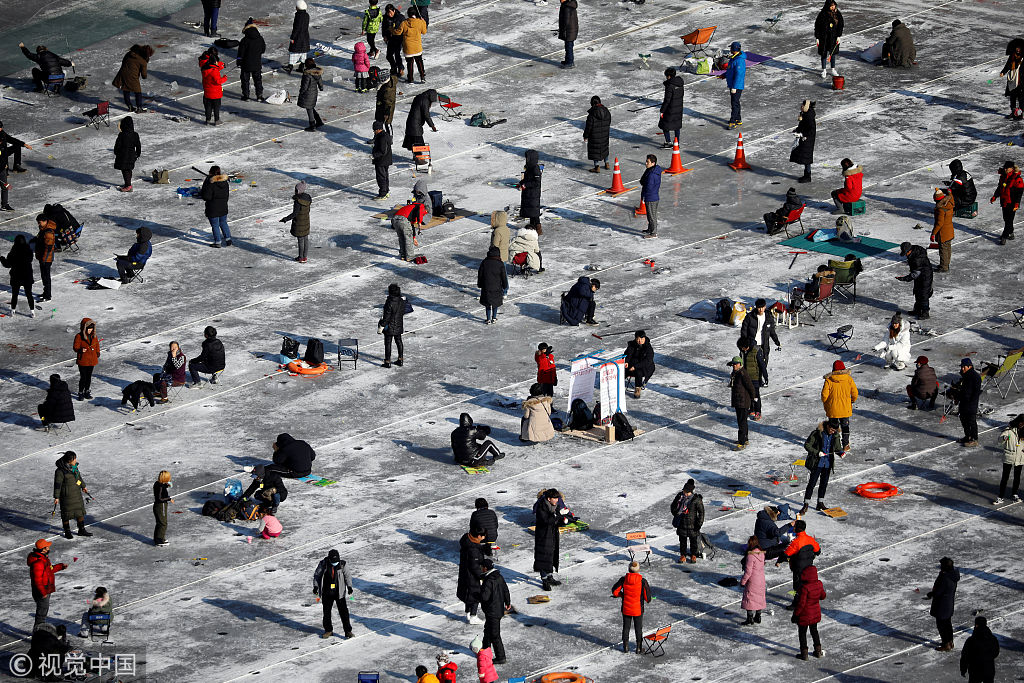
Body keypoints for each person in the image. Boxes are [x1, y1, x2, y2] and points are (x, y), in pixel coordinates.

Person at [801, 419, 846, 514]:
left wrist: (841, 453)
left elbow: (837, 448)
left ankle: (820, 503)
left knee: (824, 484)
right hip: (817, 463)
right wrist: (817, 453)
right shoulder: (817, 433)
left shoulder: (835, 435)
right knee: (811, 484)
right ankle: (806, 504)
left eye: (835, 430)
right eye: (832, 430)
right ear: (828, 426)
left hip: (828, 463)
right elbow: (807, 445)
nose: (833, 432)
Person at [313, 549, 354, 639]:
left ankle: (348, 631)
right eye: (333, 561)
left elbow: (348, 576)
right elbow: (317, 575)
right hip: (327, 592)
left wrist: (349, 587)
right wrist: (316, 586)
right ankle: (328, 630)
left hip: (339, 593)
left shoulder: (343, 564)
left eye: (336, 561)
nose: (335, 563)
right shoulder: (323, 564)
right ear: (329, 559)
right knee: (326, 613)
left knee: (344, 613)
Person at [778, 520, 820, 607]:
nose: (793, 528)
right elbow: (818, 551)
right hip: (808, 567)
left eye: (794, 527)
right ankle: (807, 600)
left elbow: (786, 554)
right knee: (806, 585)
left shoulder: (796, 542)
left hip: (798, 568)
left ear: (797, 528)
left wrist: (779, 561)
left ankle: (796, 604)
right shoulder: (810, 539)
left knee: (797, 587)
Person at [611, 561, 651, 653]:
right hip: (638, 609)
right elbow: (648, 598)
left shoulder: (624, 579)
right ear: (638, 570)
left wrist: (622, 595)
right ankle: (639, 648)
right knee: (638, 628)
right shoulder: (642, 581)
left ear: (629, 569)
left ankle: (625, 647)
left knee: (626, 627)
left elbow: (615, 591)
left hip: (626, 608)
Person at [27, 539, 67, 628]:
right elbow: (37, 580)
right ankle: (37, 634)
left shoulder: (43, 558)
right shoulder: (39, 562)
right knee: (41, 614)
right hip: (42, 591)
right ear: (43, 549)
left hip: (45, 589)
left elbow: (49, 570)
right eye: (47, 546)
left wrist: (61, 567)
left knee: (43, 612)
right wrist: (43, 593)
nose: (49, 548)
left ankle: (39, 632)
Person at [54, 451, 92, 539]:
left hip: (76, 494)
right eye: (74, 458)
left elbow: (78, 478)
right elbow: (57, 484)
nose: (75, 460)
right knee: (66, 514)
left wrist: (83, 486)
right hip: (66, 496)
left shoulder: (75, 468)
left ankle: (81, 530)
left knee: (80, 512)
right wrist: (56, 497)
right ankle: (67, 531)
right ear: (69, 460)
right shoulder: (60, 471)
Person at [820, 360, 857, 450]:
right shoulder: (848, 379)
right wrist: (852, 401)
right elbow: (855, 393)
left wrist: (826, 403)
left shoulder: (829, 380)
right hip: (845, 409)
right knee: (845, 427)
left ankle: (833, 445)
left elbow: (824, 395)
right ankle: (845, 445)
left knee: (833, 428)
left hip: (833, 409)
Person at [793, 565, 826, 660]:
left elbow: (801, 604)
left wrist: (795, 614)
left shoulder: (804, 588)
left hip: (805, 615)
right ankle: (818, 651)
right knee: (814, 631)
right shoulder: (819, 584)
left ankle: (804, 654)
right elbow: (823, 596)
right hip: (815, 613)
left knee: (802, 633)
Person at [533, 489, 564, 590]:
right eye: (555, 498)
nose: (557, 500)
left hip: (552, 534)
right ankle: (544, 579)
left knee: (552, 554)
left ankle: (550, 576)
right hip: (543, 535)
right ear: (549, 499)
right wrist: (556, 516)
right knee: (543, 556)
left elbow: (557, 520)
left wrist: (563, 520)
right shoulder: (541, 506)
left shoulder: (556, 506)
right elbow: (546, 521)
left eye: (557, 498)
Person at [928, 557, 960, 651]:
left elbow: (939, 592)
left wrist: (931, 594)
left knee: (942, 625)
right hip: (948, 604)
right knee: (948, 624)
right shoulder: (952, 575)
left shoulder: (945, 578)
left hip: (942, 605)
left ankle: (946, 644)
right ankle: (950, 642)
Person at [670, 479, 705, 563]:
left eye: (686, 491)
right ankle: (683, 555)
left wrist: (699, 524)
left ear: (690, 491)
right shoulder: (679, 496)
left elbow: (701, 512)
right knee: (682, 541)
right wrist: (675, 512)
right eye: (684, 491)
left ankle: (693, 555)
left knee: (693, 541)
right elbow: (673, 506)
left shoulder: (696, 499)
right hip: (681, 523)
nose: (684, 493)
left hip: (692, 525)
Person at [896, 242, 933, 319]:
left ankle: (925, 313)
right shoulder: (915, 250)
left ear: (910, 250)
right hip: (920, 275)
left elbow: (915, 274)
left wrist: (904, 278)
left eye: (906, 253)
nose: (906, 255)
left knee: (923, 294)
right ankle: (917, 310)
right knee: (917, 291)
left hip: (925, 276)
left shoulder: (917, 259)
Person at [1, 234, 35, 317]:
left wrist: (2, 259)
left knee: (15, 294)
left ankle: (12, 311)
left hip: (16, 276)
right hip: (27, 275)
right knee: (29, 294)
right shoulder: (28, 250)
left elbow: (8, 264)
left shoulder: (13, 251)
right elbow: (30, 258)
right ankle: (32, 312)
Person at [112, 44, 153, 113]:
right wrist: (144, 76)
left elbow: (123, 62)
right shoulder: (142, 61)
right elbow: (144, 75)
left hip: (123, 73)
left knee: (126, 89)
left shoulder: (129, 54)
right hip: (133, 76)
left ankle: (130, 106)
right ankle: (139, 108)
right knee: (138, 92)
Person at [1, 121, 32, 211]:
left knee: (5, 186)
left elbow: (10, 139)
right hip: (1, 161)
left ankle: (4, 204)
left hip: (2, 162)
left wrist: (23, 144)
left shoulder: (2, 133)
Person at [740, 299, 782, 366]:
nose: (761, 309)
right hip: (752, 344)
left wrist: (776, 341)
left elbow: (772, 331)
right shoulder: (750, 317)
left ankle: (760, 375)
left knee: (763, 363)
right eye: (759, 308)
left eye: (762, 307)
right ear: (756, 307)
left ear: (765, 307)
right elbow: (744, 330)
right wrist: (745, 343)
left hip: (764, 344)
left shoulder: (769, 317)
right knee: (750, 363)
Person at [457, 527, 486, 624]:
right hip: (471, 576)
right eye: (483, 536)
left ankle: (468, 613)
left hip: (464, 572)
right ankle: (473, 616)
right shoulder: (473, 549)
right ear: (478, 536)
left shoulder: (466, 540)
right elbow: (475, 566)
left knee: (467, 593)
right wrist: (482, 576)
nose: (484, 537)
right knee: (475, 594)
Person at [990, 160, 1022, 244]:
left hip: (1012, 203)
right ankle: (1011, 233)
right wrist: (995, 196)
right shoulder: (1003, 177)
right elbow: (1000, 187)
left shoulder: (1017, 179)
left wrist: (1017, 203)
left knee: (1009, 220)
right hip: (1004, 201)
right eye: (1005, 168)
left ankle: (1004, 236)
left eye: (1007, 168)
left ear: (1011, 168)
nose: (1005, 169)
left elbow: (1019, 192)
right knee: (1006, 218)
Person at [960, 616, 1000, 683]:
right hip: (989, 669)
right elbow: (996, 652)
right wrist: (987, 658)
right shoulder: (993, 638)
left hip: (974, 670)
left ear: (976, 625)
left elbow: (965, 656)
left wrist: (963, 669)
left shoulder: (971, 640)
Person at [994, 414, 1024, 504]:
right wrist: (1004, 438)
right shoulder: (1009, 430)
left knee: (1017, 477)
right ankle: (1000, 496)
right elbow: (1000, 440)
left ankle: (1014, 493)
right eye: (1021, 423)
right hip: (1009, 457)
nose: (1022, 425)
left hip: (1020, 457)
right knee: (1005, 477)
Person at [200, 165, 232, 247]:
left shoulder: (211, 183)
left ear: (211, 172)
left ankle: (218, 242)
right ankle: (228, 239)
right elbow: (226, 195)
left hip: (213, 208)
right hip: (223, 207)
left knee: (215, 225)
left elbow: (206, 196)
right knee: (223, 223)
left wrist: (206, 185)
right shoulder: (225, 182)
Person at [280, 181, 312, 262]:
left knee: (301, 241)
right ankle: (304, 257)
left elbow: (295, 213)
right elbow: (308, 210)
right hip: (306, 222)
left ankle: (301, 258)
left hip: (299, 223)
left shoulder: (298, 201)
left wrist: (285, 219)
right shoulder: (307, 199)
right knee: (305, 240)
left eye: (295, 189)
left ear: (298, 191)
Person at [953, 358, 982, 447]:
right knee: (963, 419)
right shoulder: (965, 375)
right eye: (962, 367)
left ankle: (974, 439)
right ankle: (967, 436)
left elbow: (976, 392)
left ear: (970, 366)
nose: (962, 368)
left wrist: (971, 402)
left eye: (964, 367)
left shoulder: (975, 377)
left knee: (971, 421)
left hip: (970, 403)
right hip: (964, 401)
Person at [729, 355, 755, 450]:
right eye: (733, 364)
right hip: (738, 401)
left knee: (742, 422)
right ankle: (745, 438)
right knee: (742, 421)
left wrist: (753, 398)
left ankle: (742, 442)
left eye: (735, 364)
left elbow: (750, 386)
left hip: (743, 401)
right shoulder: (736, 373)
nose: (734, 366)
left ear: (740, 364)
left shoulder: (743, 373)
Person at [237, 18, 267, 102]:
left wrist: (239, 61)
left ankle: (246, 96)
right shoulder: (260, 38)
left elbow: (240, 53)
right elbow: (263, 50)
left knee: (245, 80)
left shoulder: (244, 40)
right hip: (257, 63)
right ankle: (259, 96)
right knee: (258, 80)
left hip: (246, 64)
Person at [739, 537, 766, 626]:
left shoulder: (750, 556)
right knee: (759, 598)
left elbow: (748, 572)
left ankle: (750, 618)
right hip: (761, 579)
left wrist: (743, 581)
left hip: (752, 580)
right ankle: (758, 616)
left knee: (749, 598)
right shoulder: (761, 554)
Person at [478, 246, 508, 325]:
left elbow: (480, 274)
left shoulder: (484, 262)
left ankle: (488, 319)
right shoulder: (500, 263)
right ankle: (494, 318)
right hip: (497, 287)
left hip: (486, 287)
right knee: (495, 303)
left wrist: (480, 284)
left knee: (487, 304)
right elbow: (504, 276)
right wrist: (505, 286)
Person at [814, 0, 844, 78]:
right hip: (823, 37)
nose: (833, 7)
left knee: (832, 53)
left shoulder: (837, 13)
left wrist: (838, 36)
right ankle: (824, 70)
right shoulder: (822, 14)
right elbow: (817, 25)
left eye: (833, 5)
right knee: (824, 53)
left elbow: (841, 25)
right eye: (831, 6)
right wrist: (817, 37)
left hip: (833, 37)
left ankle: (833, 69)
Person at [737, 336, 766, 418]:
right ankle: (752, 409)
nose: (742, 349)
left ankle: (758, 411)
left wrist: (765, 377)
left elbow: (762, 365)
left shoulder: (756, 350)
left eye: (743, 348)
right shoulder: (742, 352)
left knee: (755, 395)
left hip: (755, 377)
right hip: (746, 376)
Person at [111, 116, 141, 193]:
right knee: (129, 169)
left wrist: (116, 152)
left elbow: (117, 145)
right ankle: (128, 184)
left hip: (123, 155)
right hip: (132, 155)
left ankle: (128, 186)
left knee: (125, 170)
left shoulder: (122, 134)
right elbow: (138, 145)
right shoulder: (135, 134)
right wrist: (137, 154)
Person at [199, 47, 227, 126]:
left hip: (207, 92)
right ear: (215, 62)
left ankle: (207, 120)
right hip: (215, 93)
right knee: (216, 108)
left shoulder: (205, 69)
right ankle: (217, 120)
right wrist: (224, 78)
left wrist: (220, 66)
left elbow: (214, 69)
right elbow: (218, 81)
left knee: (208, 107)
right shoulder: (214, 71)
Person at [380, 283, 407, 368]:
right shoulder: (402, 301)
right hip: (398, 324)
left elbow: (387, 316)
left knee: (388, 343)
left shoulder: (389, 302)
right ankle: (400, 359)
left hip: (390, 326)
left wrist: (382, 325)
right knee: (399, 341)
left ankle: (387, 361)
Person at [73, 318, 100, 399]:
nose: (90, 331)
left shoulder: (94, 336)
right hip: (83, 361)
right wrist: (80, 350)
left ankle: (87, 391)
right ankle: (80, 392)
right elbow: (75, 347)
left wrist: (97, 352)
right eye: (88, 329)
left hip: (92, 360)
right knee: (83, 377)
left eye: (91, 329)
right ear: (84, 328)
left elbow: (97, 345)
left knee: (89, 377)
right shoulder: (79, 336)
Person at [399, 7, 427, 83]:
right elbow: (424, 32)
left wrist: (392, 29)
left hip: (408, 47)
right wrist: (423, 22)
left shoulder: (404, 23)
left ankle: (410, 78)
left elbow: (398, 32)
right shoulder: (419, 22)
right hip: (417, 47)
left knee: (410, 63)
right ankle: (422, 76)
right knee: (419, 62)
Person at [583, 96, 611, 172]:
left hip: (594, 137)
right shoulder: (606, 111)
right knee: (604, 148)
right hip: (605, 135)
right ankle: (607, 163)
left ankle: (597, 166)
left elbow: (588, 127)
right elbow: (609, 121)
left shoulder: (592, 115)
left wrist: (585, 136)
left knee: (595, 150)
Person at [791, 100, 816, 182]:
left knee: (807, 158)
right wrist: (797, 130)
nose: (801, 106)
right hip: (805, 139)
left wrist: (802, 134)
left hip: (807, 140)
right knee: (805, 157)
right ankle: (807, 174)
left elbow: (811, 130)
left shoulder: (809, 116)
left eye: (802, 105)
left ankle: (807, 176)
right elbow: (802, 125)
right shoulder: (805, 114)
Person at [659, 68, 685, 148]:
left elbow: (667, 100)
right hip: (679, 108)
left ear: (669, 76)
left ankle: (668, 142)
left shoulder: (669, 86)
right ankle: (677, 142)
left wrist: (662, 110)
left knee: (664, 125)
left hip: (670, 109)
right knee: (676, 126)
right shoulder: (680, 84)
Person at [624, 330, 655, 398]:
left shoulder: (648, 348)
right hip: (632, 364)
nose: (639, 340)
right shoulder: (632, 345)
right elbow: (627, 354)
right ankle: (616, 385)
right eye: (638, 339)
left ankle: (638, 389)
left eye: (641, 339)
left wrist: (635, 367)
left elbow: (647, 361)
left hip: (644, 367)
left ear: (644, 338)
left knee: (639, 372)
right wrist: (626, 361)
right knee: (622, 370)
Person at [931, 187, 954, 272]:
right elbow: (951, 196)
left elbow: (939, 223)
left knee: (943, 250)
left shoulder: (940, 209)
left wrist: (933, 233)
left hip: (943, 233)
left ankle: (944, 267)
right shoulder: (949, 202)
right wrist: (949, 192)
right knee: (948, 248)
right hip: (950, 231)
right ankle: (946, 264)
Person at [298, 57, 325, 131]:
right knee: (311, 107)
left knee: (309, 109)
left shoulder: (307, 74)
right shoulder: (317, 72)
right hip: (314, 92)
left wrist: (301, 92)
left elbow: (305, 85)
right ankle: (319, 121)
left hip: (308, 93)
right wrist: (321, 87)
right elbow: (320, 81)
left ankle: (312, 126)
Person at [518, 149, 543, 228]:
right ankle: (533, 227)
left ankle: (537, 228)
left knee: (534, 212)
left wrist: (526, 185)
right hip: (529, 193)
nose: (526, 159)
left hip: (533, 194)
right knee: (532, 212)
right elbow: (528, 179)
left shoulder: (535, 168)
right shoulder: (529, 167)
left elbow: (537, 182)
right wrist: (522, 182)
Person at [723, 42, 746, 128]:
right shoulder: (734, 58)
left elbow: (739, 75)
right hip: (733, 84)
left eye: (731, 48)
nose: (730, 50)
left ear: (734, 49)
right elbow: (731, 70)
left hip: (736, 86)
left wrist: (735, 87)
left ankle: (733, 122)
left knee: (734, 103)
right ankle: (738, 118)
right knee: (736, 102)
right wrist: (724, 75)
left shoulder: (739, 61)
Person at [639, 154, 662, 238]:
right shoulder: (651, 170)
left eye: (647, 162)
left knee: (652, 216)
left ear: (653, 163)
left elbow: (648, 186)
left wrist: (644, 195)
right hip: (652, 196)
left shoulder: (652, 174)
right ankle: (650, 229)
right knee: (649, 215)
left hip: (651, 198)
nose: (646, 163)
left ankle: (653, 233)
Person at [998, 40, 1022, 120]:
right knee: (1012, 96)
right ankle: (1013, 111)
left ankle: (1021, 113)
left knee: (1021, 97)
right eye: (1017, 48)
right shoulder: (1012, 56)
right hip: (1012, 79)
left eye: (1019, 48)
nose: (1018, 49)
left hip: (1021, 80)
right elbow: (1008, 65)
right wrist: (1003, 72)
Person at [286, 0, 311, 75]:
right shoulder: (307, 15)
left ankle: (290, 66)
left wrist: (292, 37)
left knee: (294, 51)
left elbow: (296, 28)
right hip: (305, 36)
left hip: (298, 37)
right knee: (303, 52)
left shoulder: (298, 16)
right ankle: (301, 67)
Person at [383, 4, 406, 77]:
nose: (389, 14)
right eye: (388, 13)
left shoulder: (400, 17)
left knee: (397, 54)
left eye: (390, 12)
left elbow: (405, 28)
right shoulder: (386, 18)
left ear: (394, 10)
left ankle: (400, 68)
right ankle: (394, 67)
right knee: (389, 55)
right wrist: (384, 35)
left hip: (399, 38)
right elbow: (384, 27)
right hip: (390, 38)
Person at [371, 121, 392, 201]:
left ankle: (383, 194)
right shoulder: (385, 135)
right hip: (386, 160)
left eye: (374, 130)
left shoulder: (382, 137)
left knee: (381, 177)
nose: (374, 132)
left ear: (378, 129)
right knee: (385, 176)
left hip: (381, 161)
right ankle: (386, 191)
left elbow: (382, 151)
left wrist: (374, 155)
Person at [375, 70, 399, 140]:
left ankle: (389, 138)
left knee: (387, 123)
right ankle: (377, 136)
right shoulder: (389, 81)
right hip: (381, 104)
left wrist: (386, 113)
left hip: (387, 108)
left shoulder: (388, 90)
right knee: (379, 121)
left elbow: (388, 102)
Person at [153, 470, 172, 547]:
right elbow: (160, 498)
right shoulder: (160, 486)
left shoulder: (158, 484)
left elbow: (162, 487)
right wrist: (168, 499)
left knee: (159, 522)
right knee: (163, 523)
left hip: (158, 506)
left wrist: (166, 485)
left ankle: (157, 538)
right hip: (161, 506)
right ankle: (160, 540)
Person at [558, 0, 578, 68]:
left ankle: (569, 62)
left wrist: (563, 30)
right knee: (569, 46)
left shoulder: (567, 7)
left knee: (568, 47)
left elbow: (566, 20)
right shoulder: (569, 5)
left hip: (569, 30)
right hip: (571, 30)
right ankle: (568, 60)